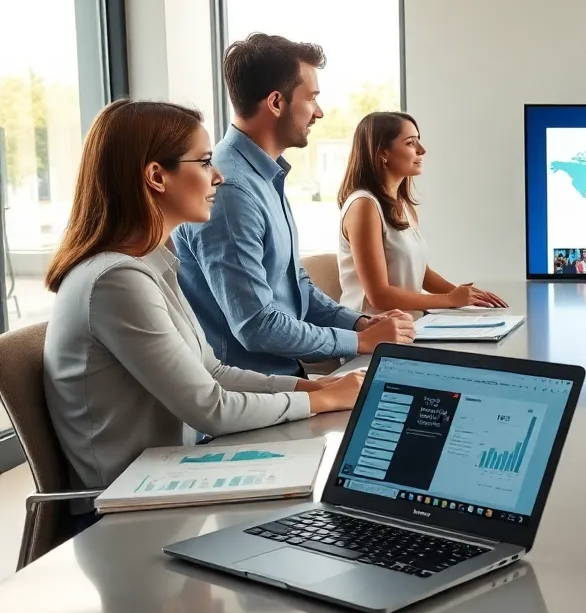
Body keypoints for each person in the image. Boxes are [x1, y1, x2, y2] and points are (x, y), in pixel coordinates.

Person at [43, 100, 365, 506]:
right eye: (205, 162)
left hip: (171, 475)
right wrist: (322, 400)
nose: (218, 176)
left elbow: (213, 372)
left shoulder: (148, 263)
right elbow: (211, 409)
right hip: (125, 504)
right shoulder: (115, 281)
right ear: (156, 176)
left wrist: (313, 386)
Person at [173, 33, 414, 378]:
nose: (319, 112)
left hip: (283, 381)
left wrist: (360, 324)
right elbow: (256, 326)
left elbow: (295, 285)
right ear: (276, 102)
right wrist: (358, 341)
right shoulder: (232, 190)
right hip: (248, 395)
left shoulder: (264, 176)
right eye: (312, 98)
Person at [337, 111, 505, 313]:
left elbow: (420, 272)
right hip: (374, 327)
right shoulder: (364, 206)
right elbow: (379, 297)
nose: (422, 150)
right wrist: (450, 299)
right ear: (383, 153)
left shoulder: (403, 206)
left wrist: (467, 296)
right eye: (410, 143)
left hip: (408, 323)